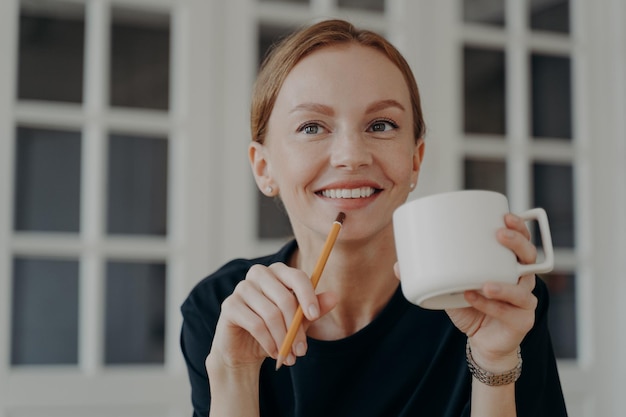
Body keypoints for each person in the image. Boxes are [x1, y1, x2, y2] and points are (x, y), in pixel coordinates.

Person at [180, 19, 568, 417]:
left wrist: (495, 363)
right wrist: (234, 375)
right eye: (312, 126)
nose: (352, 155)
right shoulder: (219, 311)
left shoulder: (496, 301)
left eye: (380, 125)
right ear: (264, 168)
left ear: (415, 160)